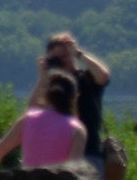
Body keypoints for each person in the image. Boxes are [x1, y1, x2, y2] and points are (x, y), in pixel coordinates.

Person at [0, 72, 88, 179]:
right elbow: (73, 172)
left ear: (45, 94)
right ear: (74, 98)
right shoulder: (77, 130)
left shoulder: (28, 119)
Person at [30, 32, 112, 168]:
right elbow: (33, 110)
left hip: (89, 153)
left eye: (63, 56)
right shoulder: (51, 85)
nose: (60, 62)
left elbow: (103, 76)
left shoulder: (86, 78)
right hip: (58, 157)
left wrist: (78, 53)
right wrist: (43, 77)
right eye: (55, 59)